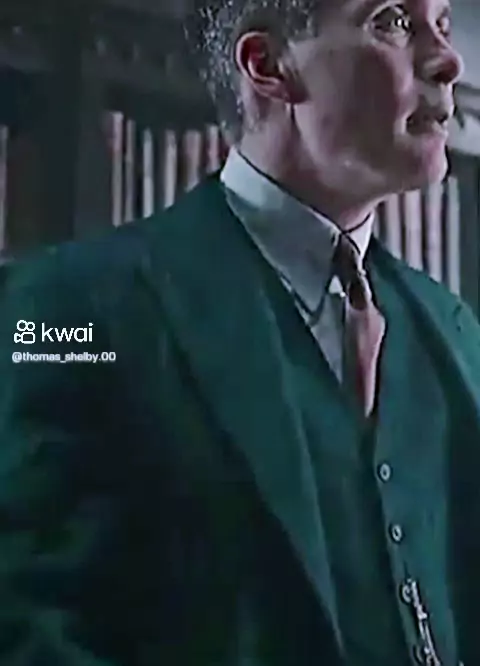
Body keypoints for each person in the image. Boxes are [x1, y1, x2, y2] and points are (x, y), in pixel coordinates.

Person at [0, 0, 479, 664]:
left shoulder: (453, 329)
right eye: (392, 20)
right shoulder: (69, 309)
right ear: (268, 64)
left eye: (443, 24)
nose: (448, 60)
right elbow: (31, 625)